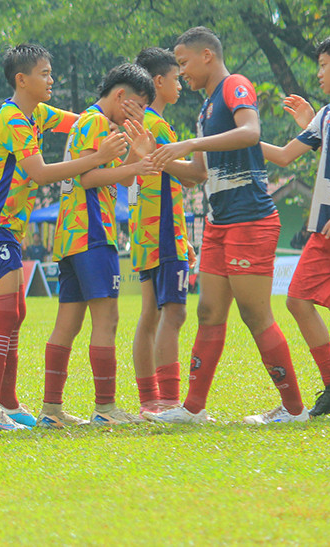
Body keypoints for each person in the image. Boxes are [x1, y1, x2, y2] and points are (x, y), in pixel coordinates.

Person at [150, 26, 308, 424]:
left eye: (184, 62)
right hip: (220, 222)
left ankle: (294, 410)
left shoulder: (235, 85)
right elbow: (197, 175)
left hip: (250, 219)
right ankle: (193, 410)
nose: (181, 72)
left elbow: (251, 132)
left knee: (256, 315)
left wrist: (191, 143)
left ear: (207, 55)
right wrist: (153, 156)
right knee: (208, 312)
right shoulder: (205, 109)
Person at [0, 44, 131, 430]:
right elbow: (40, 173)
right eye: (44, 73)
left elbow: (81, 120)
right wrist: (97, 156)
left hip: (9, 230)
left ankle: (8, 405)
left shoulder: (38, 113)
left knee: (17, 314)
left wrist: (113, 119)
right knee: (5, 314)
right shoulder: (13, 119)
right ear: (21, 80)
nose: (51, 80)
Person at [42, 64, 158, 427]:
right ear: (121, 96)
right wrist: (137, 167)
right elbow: (90, 176)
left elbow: (111, 178)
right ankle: (105, 409)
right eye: (137, 106)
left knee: (68, 322)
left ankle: (51, 411)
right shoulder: (94, 123)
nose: (138, 115)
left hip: (72, 234)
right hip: (93, 231)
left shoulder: (89, 123)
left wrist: (135, 158)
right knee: (107, 318)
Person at [258, 35, 330, 416]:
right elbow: (286, 156)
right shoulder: (327, 114)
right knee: (298, 299)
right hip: (323, 228)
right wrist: (242, 140)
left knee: (298, 300)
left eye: (323, 64)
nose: (318, 73)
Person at [130, 48, 204, 416]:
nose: (180, 84)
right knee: (173, 315)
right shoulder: (157, 125)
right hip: (161, 233)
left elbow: (175, 181)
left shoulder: (143, 122)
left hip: (147, 232)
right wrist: (199, 153)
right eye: (176, 78)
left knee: (150, 315)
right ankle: (171, 400)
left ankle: (150, 401)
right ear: (158, 81)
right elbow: (194, 176)